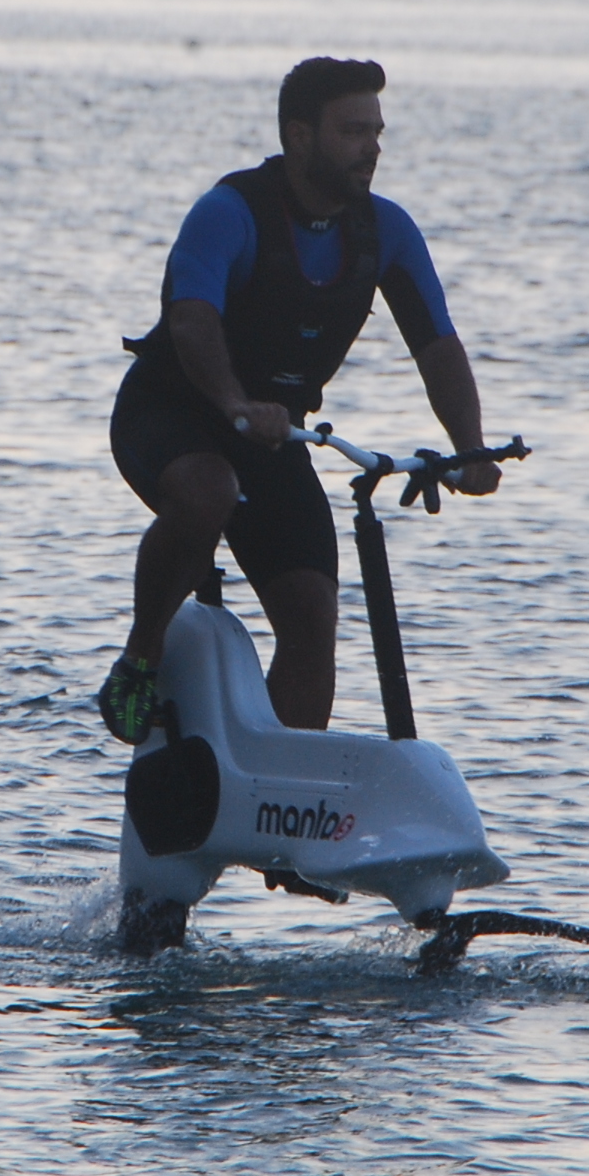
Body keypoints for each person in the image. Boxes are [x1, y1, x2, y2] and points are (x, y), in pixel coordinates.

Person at [97, 56, 501, 744]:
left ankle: (282, 784)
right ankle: (141, 658)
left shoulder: (387, 232)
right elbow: (192, 319)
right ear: (299, 136)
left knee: (313, 615)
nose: (372, 149)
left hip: (274, 436)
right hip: (171, 411)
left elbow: (437, 345)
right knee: (208, 491)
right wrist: (233, 403)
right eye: (353, 132)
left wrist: (469, 448)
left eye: (377, 132)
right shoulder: (230, 212)